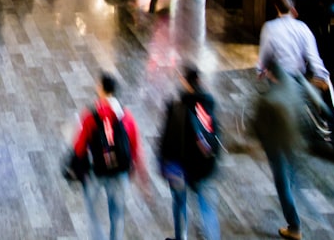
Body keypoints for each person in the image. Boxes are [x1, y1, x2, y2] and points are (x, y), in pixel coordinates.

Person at [70, 72, 148, 240]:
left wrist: (78, 167)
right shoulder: (126, 116)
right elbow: (135, 146)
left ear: (101, 89)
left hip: (97, 171)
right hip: (120, 172)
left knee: (92, 209)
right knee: (117, 214)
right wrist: (136, 171)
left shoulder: (91, 116)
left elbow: (79, 146)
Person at [158, 65, 221, 240]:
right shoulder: (208, 105)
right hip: (204, 168)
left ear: (184, 81)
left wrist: (163, 162)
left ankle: (181, 237)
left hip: (180, 168)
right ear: (199, 81)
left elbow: (168, 139)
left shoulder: (177, 107)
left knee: (179, 203)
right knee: (206, 208)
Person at [253, 58, 306, 240]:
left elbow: (257, 128)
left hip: (277, 145)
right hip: (294, 139)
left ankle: (294, 226)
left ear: (269, 73)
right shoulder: (293, 82)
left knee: (282, 186)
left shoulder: (269, 100)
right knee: (290, 179)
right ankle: (295, 212)